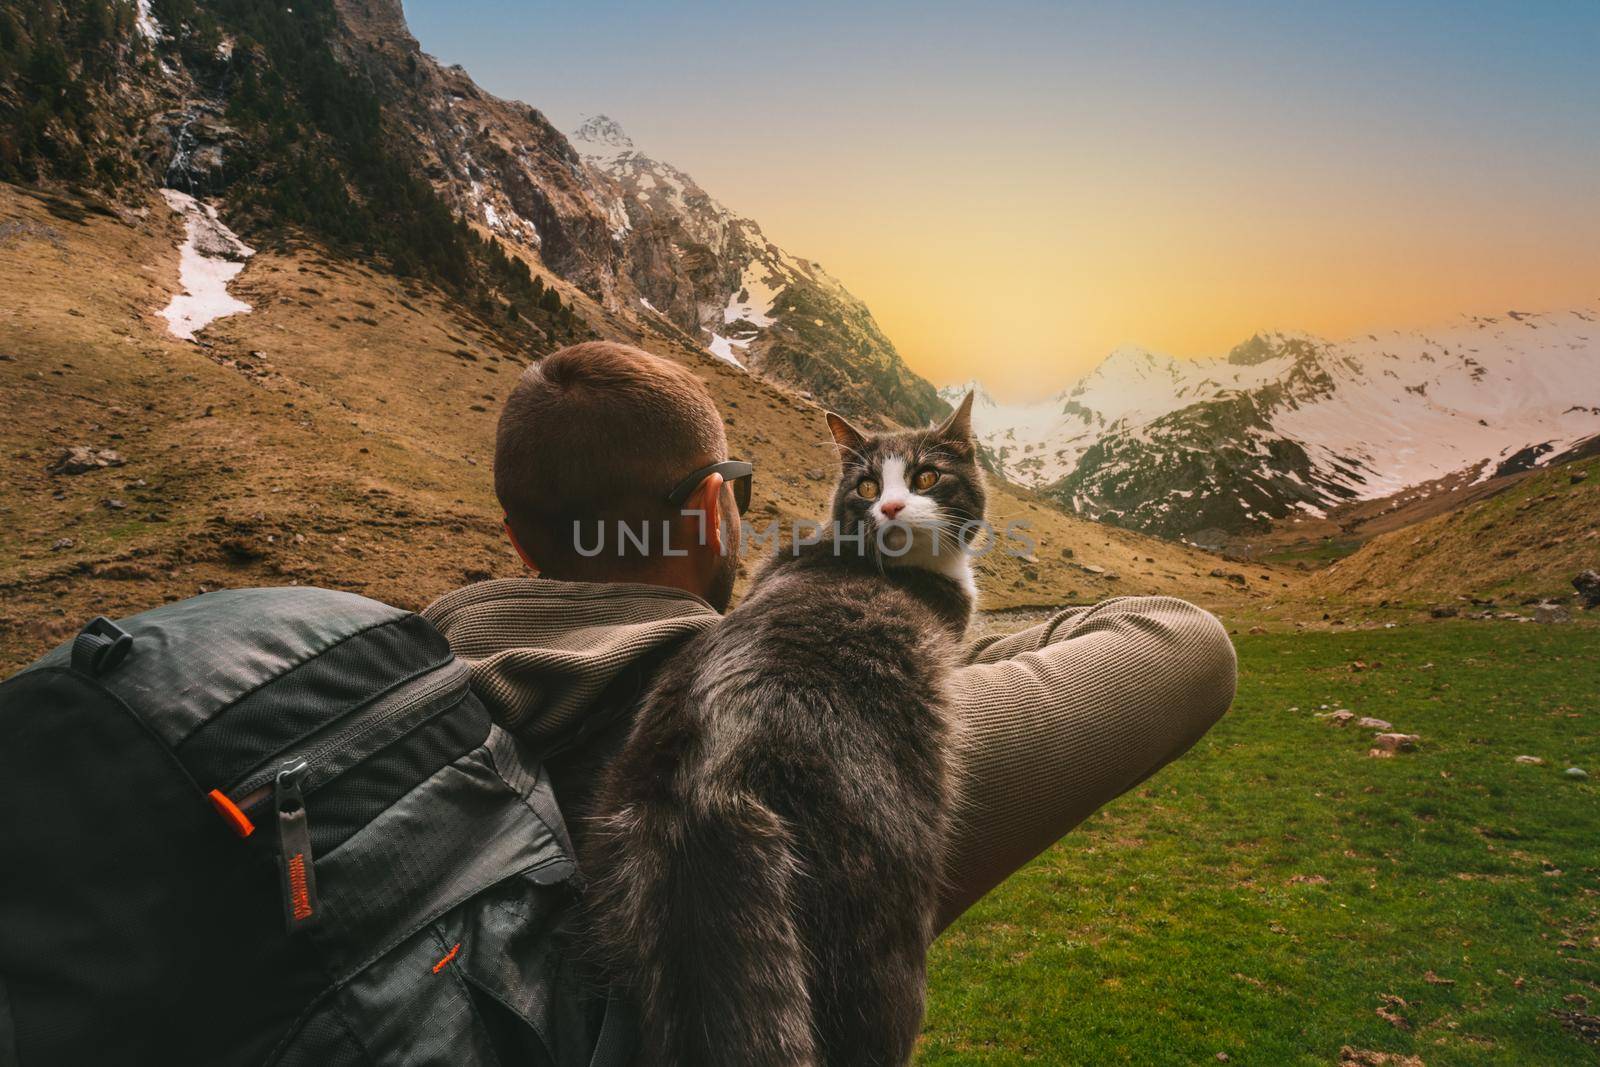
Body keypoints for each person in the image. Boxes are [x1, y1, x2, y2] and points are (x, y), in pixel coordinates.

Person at [422, 341, 1236, 931]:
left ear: (519, 541)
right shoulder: (800, 733)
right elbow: (1180, 640)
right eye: (737, 489)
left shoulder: (421, 697)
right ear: (714, 511)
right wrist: (920, 648)